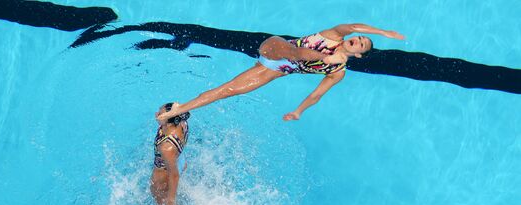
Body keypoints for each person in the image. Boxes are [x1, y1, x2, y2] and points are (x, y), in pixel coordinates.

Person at [156, 23, 405, 122]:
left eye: (360, 43)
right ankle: (311, 56)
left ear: (358, 55)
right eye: (360, 38)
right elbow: (353, 25)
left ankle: (180, 108)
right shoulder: (335, 35)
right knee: (296, 53)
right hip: (276, 47)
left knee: (227, 91)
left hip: (274, 69)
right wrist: (383, 33)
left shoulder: (337, 71)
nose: (357, 39)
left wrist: (298, 111)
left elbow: (317, 94)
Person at [151, 102, 191, 205]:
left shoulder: (166, 147)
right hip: (179, 161)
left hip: (162, 179)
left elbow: (174, 175)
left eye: (160, 114)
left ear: (169, 120)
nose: (156, 114)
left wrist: (171, 199)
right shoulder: (182, 123)